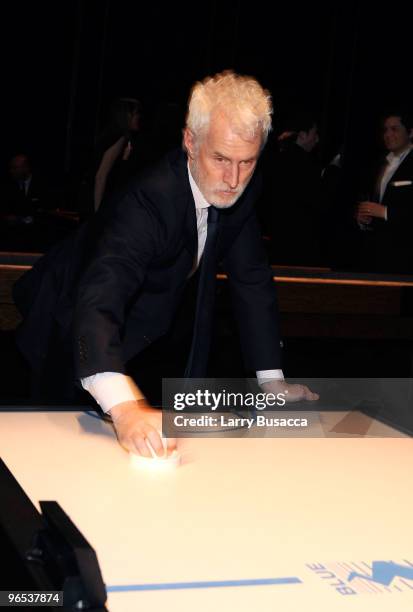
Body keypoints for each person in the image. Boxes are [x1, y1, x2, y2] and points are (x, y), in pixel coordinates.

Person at [14, 71, 318, 458]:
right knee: (58, 458)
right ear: (190, 141)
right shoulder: (148, 201)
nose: (233, 179)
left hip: (137, 331)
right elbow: (97, 300)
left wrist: (272, 381)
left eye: (247, 162)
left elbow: (251, 278)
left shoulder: (242, 184)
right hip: (65, 326)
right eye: (221, 158)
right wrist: (124, 408)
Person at [355, 111, 413, 273]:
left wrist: (386, 212)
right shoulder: (379, 164)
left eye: (394, 129)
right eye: (385, 130)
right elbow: (370, 200)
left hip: (404, 257)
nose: (388, 134)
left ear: (410, 132)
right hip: (375, 254)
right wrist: (363, 218)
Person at [263, 111, 324, 265]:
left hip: (276, 241)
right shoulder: (307, 165)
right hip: (300, 245)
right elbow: (316, 206)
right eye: (314, 134)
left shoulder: (275, 160)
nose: (317, 139)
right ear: (302, 135)